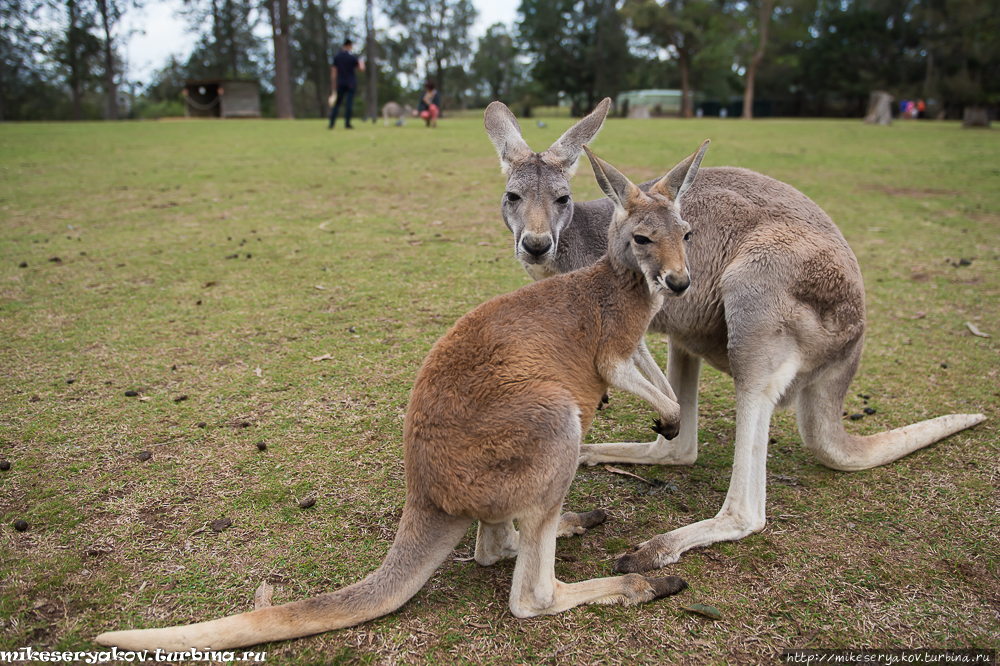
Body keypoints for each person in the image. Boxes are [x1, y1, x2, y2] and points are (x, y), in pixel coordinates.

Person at [329, 39, 365, 129]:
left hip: (340, 83)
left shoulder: (337, 57)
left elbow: (333, 72)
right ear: (349, 45)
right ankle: (347, 124)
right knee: (349, 104)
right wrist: (361, 61)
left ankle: (331, 124)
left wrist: (333, 83)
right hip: (350, 83)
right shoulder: (352, 57)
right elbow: (361, 69)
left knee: (337, 104)